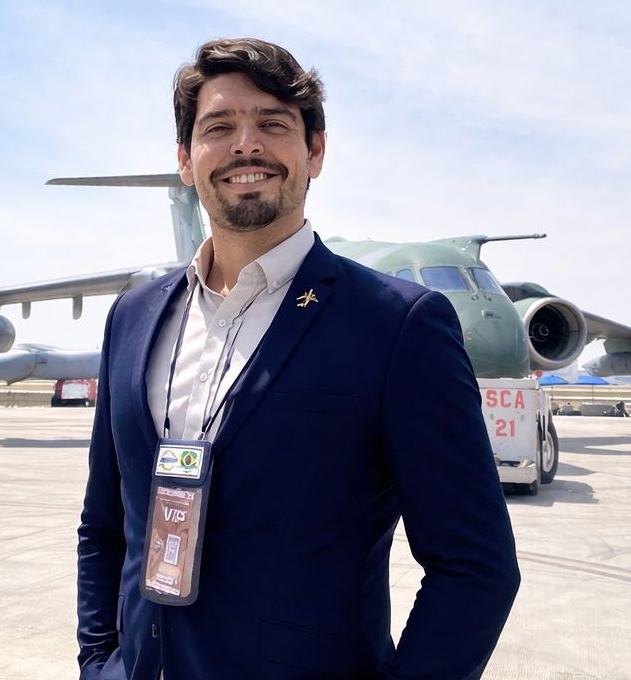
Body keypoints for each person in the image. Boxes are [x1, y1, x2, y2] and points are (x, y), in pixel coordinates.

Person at [75, 37, 520, 680]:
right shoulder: (134, 317)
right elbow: (104, 522)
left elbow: (476, 568)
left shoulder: (396, 326)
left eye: (273, 124)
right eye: (218, 127)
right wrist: (98, 662)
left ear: (314, 151)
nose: (245, 145)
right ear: (185, 158)